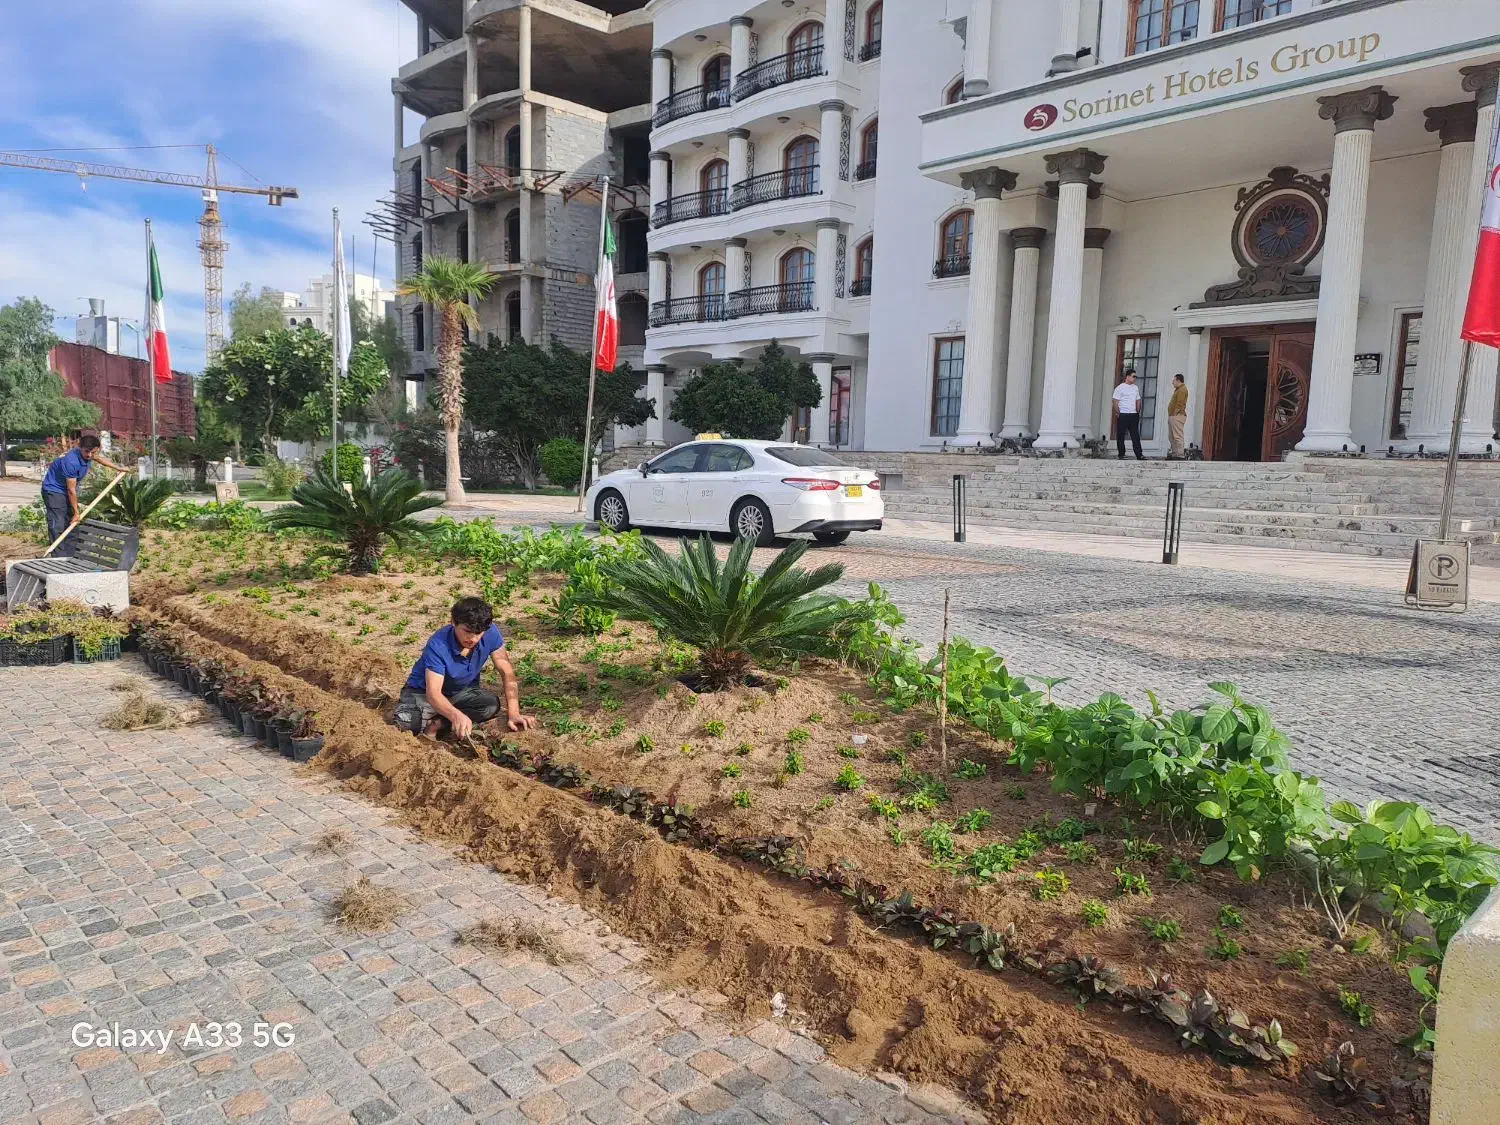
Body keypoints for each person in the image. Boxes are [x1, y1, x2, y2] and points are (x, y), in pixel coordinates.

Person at [395, 596, 535, 739]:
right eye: (467, 631)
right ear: (453, 622)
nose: (472, 639)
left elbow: (507, 673)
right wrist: (456, 715)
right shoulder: (438, 645)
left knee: (490, 705)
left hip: (459, 693)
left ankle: (438, 723)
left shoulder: (490, 632)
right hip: (422, 693)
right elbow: (433, 693)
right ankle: (427, 714)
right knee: (406, 724)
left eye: (478, 634)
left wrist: (514, 713)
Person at [40, 435, 127, 555]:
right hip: (54, 491)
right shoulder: (71, 461)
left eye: (93, 452)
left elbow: (99, 459)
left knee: (72, 523)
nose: (90, 455)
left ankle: (71, 555)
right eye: (87, 451)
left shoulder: (90, 453)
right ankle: (58, 557)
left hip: (67, 491)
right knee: (58, 523)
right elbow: (71, 490)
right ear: (80, 447)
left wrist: (118, 468)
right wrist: (76, 512)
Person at [1112, 369, 1145, 461]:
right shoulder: (1120, 388)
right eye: (1133, 376)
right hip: (1123, 414)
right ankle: (1121, 454)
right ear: (1128, 376)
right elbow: (1115, 401)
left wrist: (1138, 411)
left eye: (1135, 377)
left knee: (1135, 435)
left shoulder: (1135, 388)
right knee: (1121, 435)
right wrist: (1118, 413)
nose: (1135, 378)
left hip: (1133, 414)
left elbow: (1138, 399)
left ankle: (1139, 454)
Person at [1167, 374, 1189, 460]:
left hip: (1177, 416)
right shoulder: (1178, 389)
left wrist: (1174, 414)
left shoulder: (1182, 390)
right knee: (1172, 436)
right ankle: (1175, 454)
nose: (1172, 382)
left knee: (1177, 436)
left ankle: (1179, 455)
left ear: (1178, 380)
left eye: (1174, 380)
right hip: (1174, 416)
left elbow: (1180, 403)